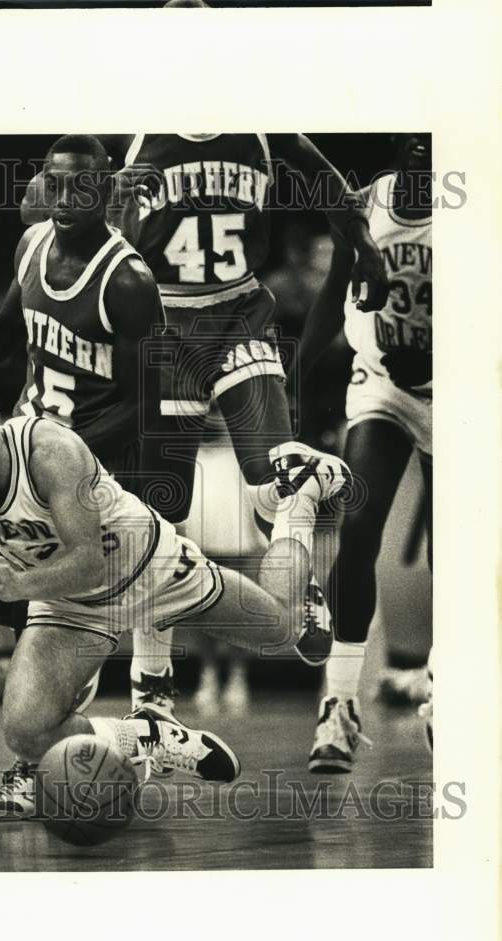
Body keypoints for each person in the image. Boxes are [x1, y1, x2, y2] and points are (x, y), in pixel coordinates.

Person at [0, 359, 352, 817]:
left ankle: (296, 508)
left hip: (150, 566)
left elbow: (87, 563)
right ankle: (147, 736)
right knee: (25, 732)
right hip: (71, 603)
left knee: (286, 630)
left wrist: (20, 584)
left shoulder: (48, 449)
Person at [22, 131, 390, 708]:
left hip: (238, 313)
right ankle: (153, 690)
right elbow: (34, 205)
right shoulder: (134, 129)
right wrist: (101, 189)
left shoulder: (264, 130)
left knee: (273, 477)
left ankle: (302, 581)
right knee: (155, 516)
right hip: (160, 320)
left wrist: (363, 241)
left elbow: (329, 184)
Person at [0, 134, 168, 816]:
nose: (65, 200)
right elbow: (4, 330)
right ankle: (87, 686)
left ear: (105, 190)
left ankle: (37, 764)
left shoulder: (126, 282)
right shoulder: (31, 246)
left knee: (45, 608)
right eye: (54, 185)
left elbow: (145, 405)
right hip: (24, 461)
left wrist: (68, 464)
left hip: (83, 470)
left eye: (82, 187)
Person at [295, 134, 433, 771]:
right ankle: (340, 704)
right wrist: (293, 373)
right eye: (414, 145)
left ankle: (440, 689)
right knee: (357, 524)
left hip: (453, 391)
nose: (422, 155)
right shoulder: (370, 202)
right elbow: (334, 289)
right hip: (382, 385)